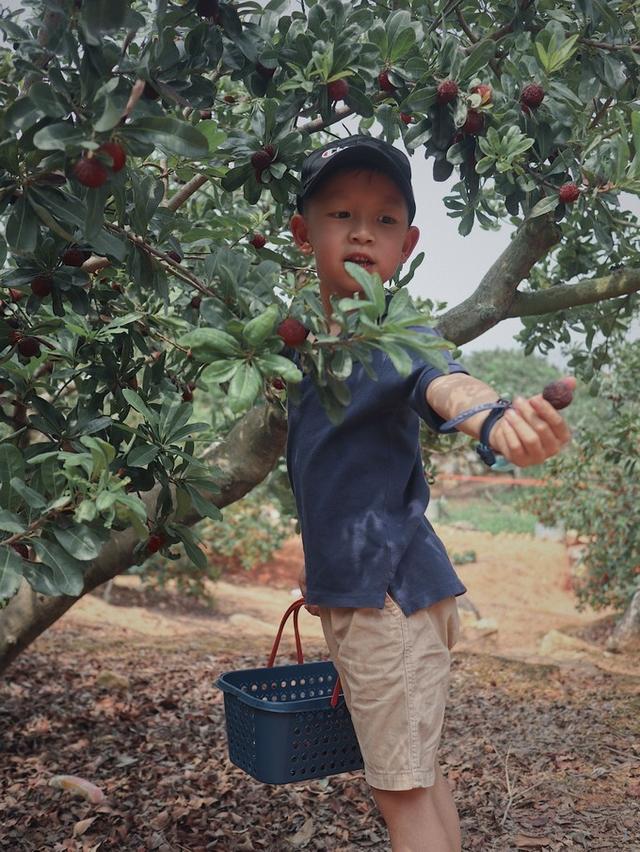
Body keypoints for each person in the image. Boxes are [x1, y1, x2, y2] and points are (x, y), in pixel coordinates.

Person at [286, 135, 574, 852]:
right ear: (302, 233)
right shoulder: (302, 346)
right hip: (373, 594)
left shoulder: (398, 338)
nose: (362, 231)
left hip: (391, 597)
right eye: (341, 214)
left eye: (385, 221)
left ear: (407, 244)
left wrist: (499, 420)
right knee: (416, 775)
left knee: (401, 790)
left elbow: (445, 381)